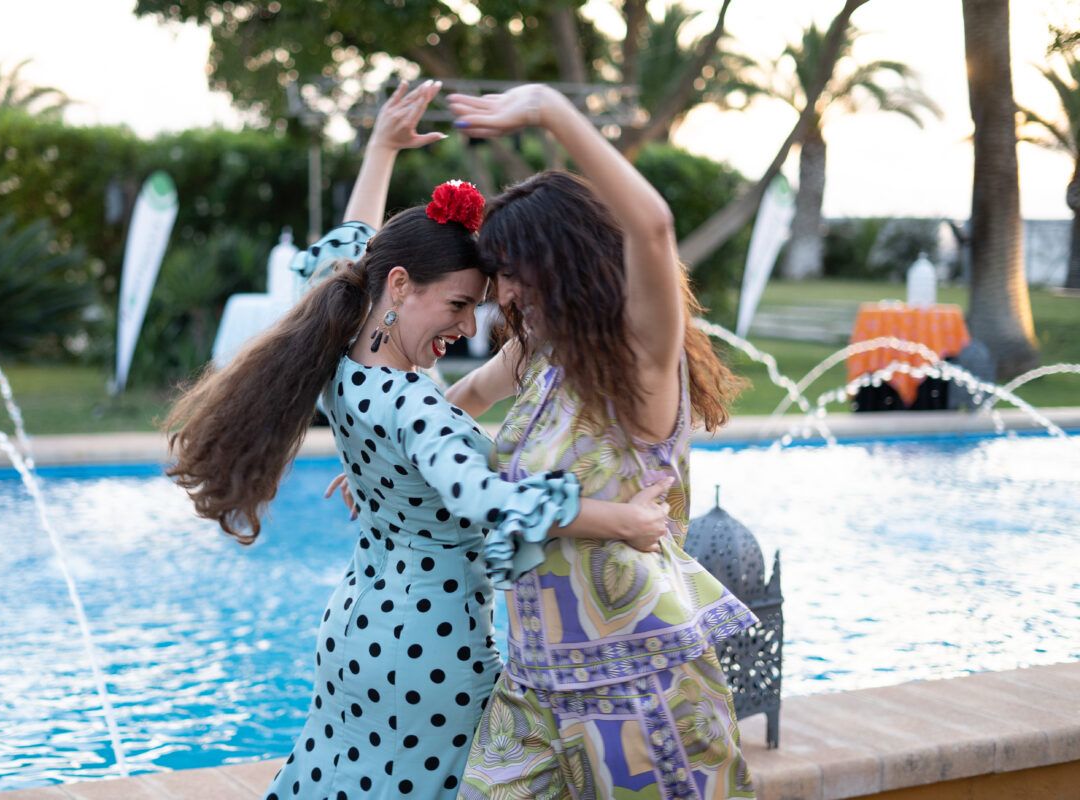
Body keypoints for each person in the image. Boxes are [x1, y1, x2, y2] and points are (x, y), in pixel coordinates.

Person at [164, 80, 674, 800]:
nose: (470, 328)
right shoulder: (413, 407)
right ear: (399, 285)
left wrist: (379, 150)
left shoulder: (340, 349)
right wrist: (626, 519)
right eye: (461, 305)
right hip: (430, 649)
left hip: (359, 628)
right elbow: (487, 500)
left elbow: (339, 256)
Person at [445, 85, 758, 798]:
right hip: (533, 682)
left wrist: (551, 110)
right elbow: (457, 403)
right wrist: (391, 465)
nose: (504, 294)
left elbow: (650, 228)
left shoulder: (641, 359)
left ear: (560, 260)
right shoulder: (543, 356)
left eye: (514, 273)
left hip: (640, 690)